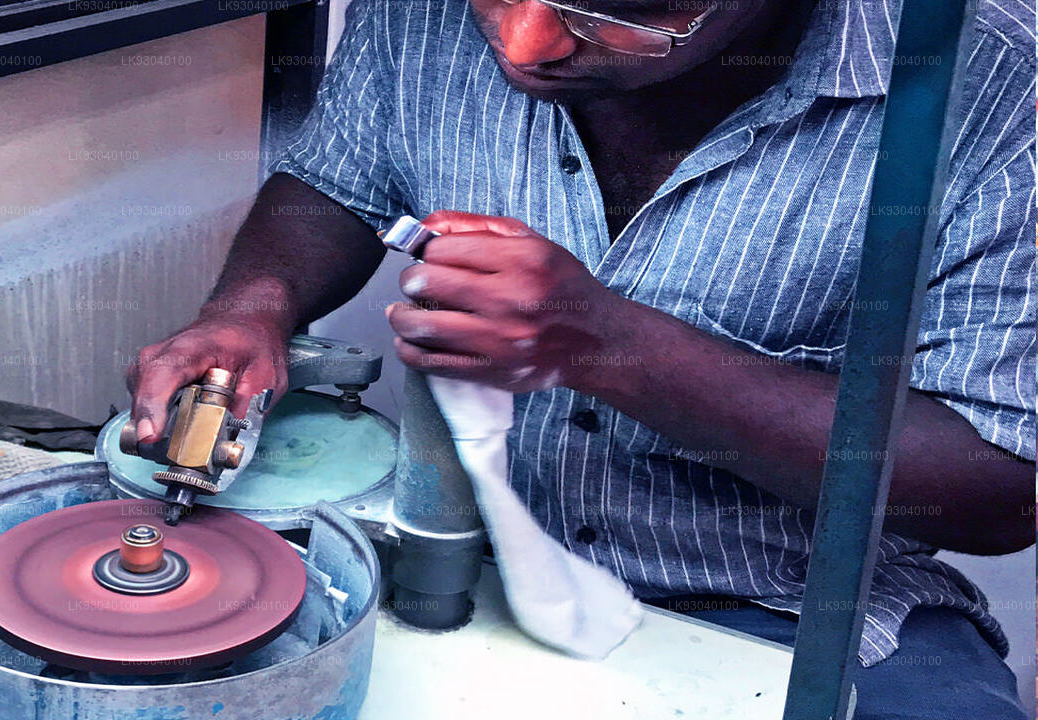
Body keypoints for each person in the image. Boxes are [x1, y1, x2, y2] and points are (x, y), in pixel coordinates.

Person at [127, 1, 1035, 716]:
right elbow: (334, 179)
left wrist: (611, 348)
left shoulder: (991, 83)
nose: (524, 43)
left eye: (619, 10)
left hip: (796, 605)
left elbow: (996, 486)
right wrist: (250, 311)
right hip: (448, 554)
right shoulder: (427, 14)